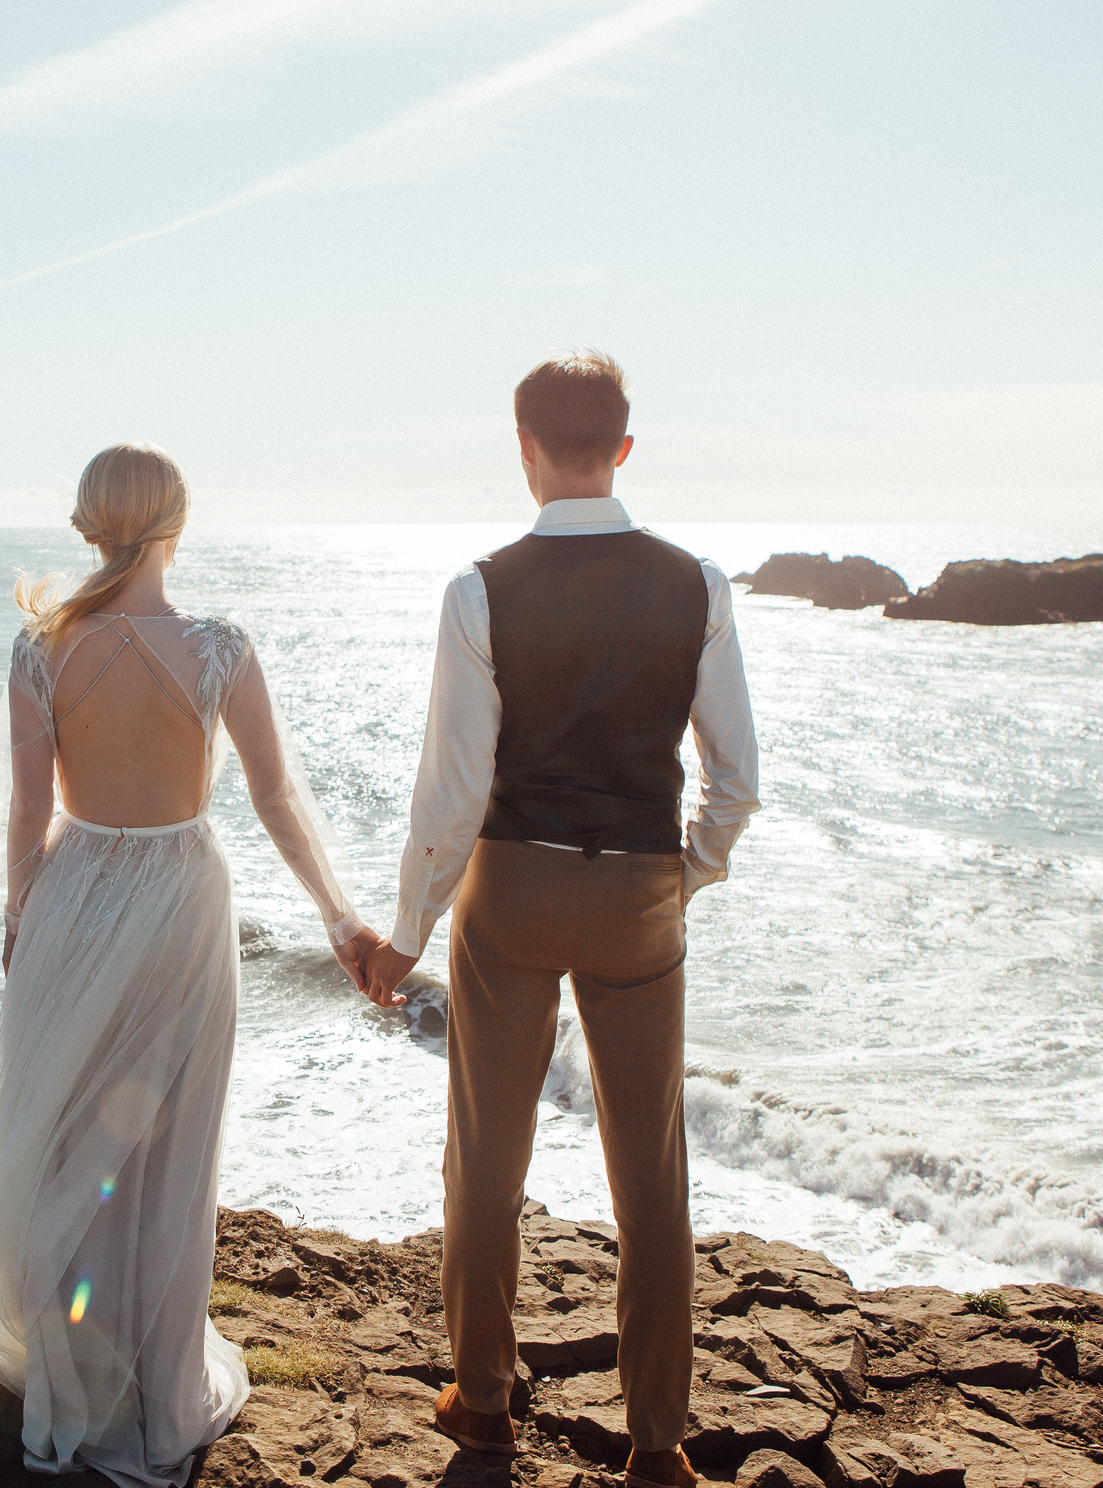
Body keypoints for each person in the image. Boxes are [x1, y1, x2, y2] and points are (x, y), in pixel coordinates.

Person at [0, 443, 399, 1488]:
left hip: (76, 895)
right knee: (166, 1142)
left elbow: (27, 812)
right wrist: (341, 917)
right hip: (179, 899)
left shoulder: (39, 648)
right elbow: (277, 799)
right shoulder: (219, 648)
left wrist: (23, 917)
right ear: (176, 523)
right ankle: (153, 1387)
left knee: (66, 1131)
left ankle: (70, 1364)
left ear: (86, 525)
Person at [358, 353, 759, 1488]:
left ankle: (482, 1406)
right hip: (638, 891)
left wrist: (405, 934)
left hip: (512, 892)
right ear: (623, 449)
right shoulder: (699, 584)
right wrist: (686, 876)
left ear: (523, 447)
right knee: (651, 1170)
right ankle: (657, 1444)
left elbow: (449, 800)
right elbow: (736, 782)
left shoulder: (478, 589)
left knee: (487, 1155)